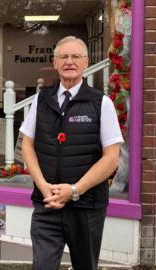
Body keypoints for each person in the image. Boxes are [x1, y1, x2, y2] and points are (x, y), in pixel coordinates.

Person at [20, 36, 123, 270]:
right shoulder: (41, 99)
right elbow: (27, 145)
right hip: (48, 204)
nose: (69, 61)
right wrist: (43, 186)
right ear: (54, 63)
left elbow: (111, 158)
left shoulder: (101, 103)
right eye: (63, 57)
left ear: (86, 62)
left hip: (86, 209)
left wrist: (74, 190)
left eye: (75, 56)